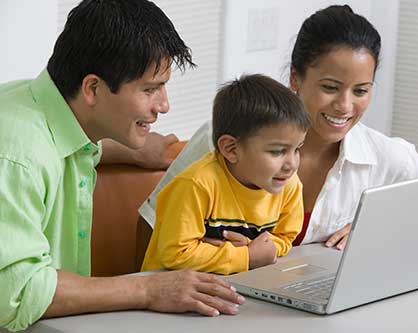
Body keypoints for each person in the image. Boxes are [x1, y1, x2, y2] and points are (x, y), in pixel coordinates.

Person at [0, 1, 244, 331]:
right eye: (150, 89)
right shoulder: (17, 158)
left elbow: (61, 145)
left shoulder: (38, 106)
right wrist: (147, 288)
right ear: (93, 88)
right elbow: (15, 293)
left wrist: (131, 150)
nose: (164, 105)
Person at [138, 4, 418, 252]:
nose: (344, 106)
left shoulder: (387, 157)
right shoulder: (229, 137)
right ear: (295, 77)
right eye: (330, 87)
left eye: (360, 91)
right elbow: (151, 227)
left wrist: (377, 225)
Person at [142, 74, 310, 275]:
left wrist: (253, 248)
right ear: (231, 149)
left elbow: (284, 237)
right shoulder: (196, 184)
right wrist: (247, 256)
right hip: (167, 291)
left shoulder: (290, 186)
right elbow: (176, 254)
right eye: (277, 151)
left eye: (297, 149)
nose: (291, 164)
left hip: (230, 285)